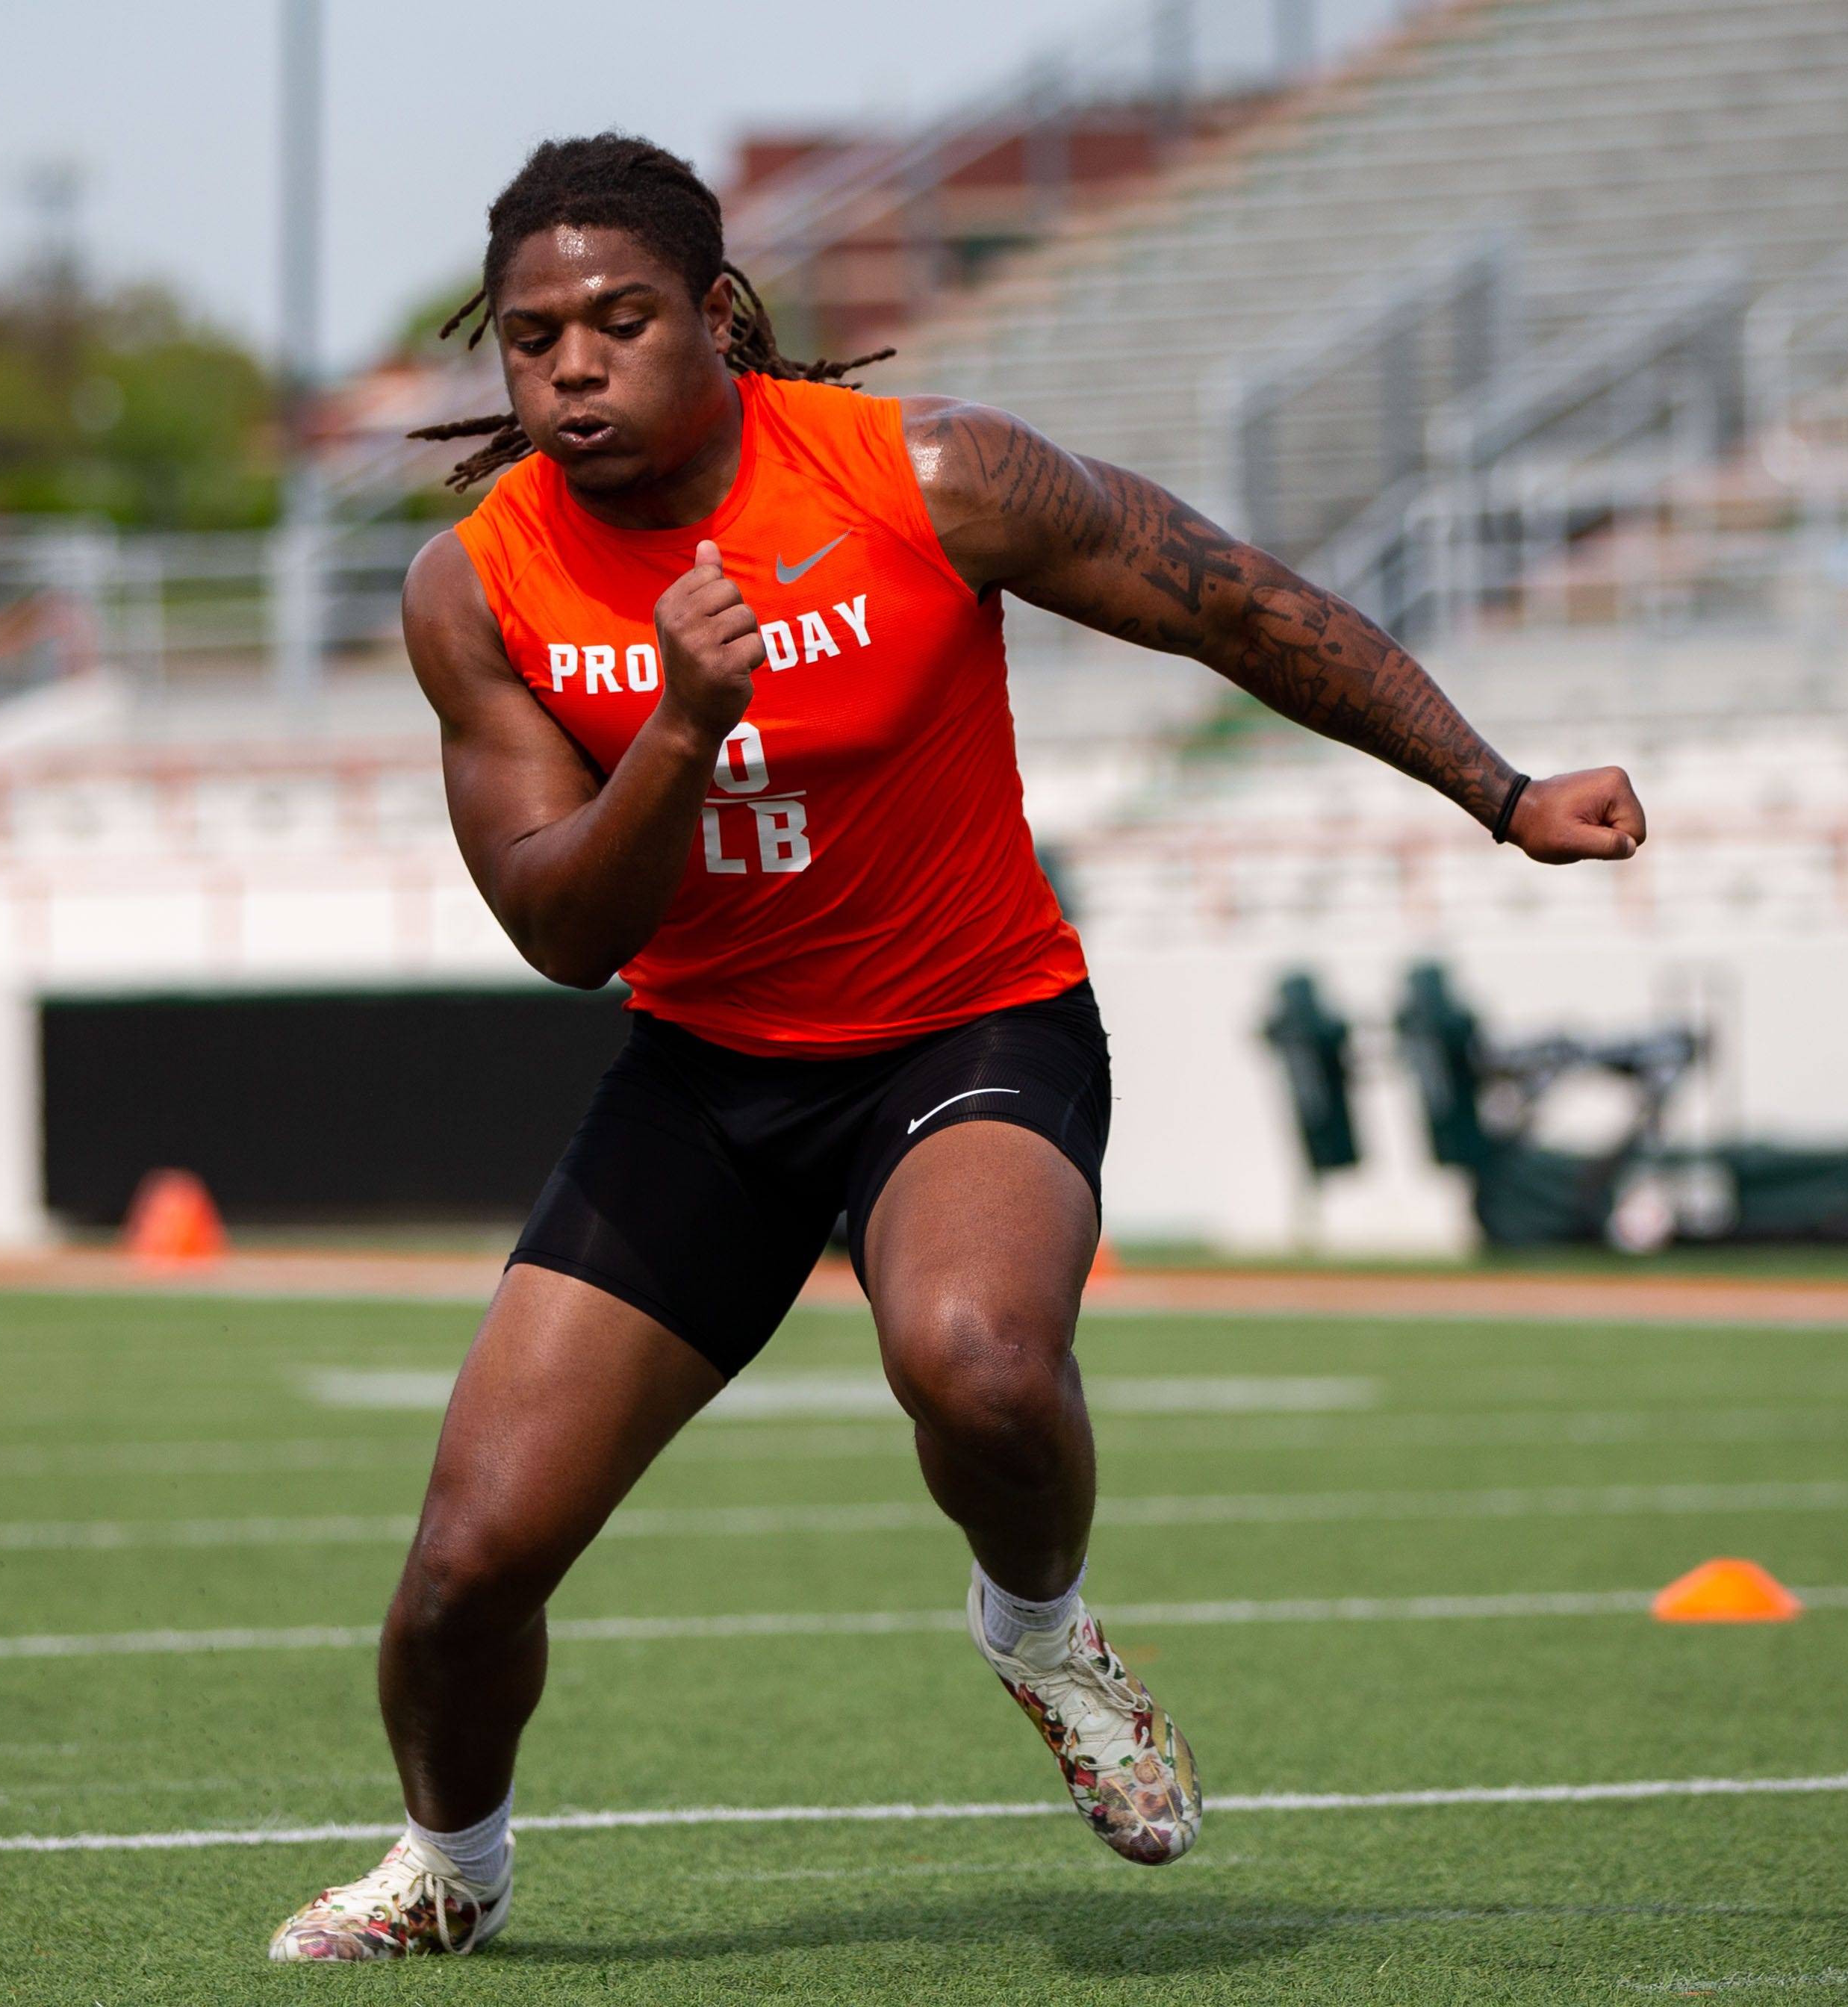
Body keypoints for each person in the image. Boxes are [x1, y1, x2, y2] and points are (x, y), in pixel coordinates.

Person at [269, 134, 1646, 1962]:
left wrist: (1501, 790)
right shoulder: (481, 583)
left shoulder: (929, 476)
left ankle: (1041, 1627)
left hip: (966, 1026)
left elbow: (1230, 601)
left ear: (721, 316)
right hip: (707, 1073)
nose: (577, 368)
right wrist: (680, 725)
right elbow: (564, 933)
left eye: (622, 321)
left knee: (982, 1365)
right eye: (535, 341)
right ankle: (452, 1867)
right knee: (466, 1568)